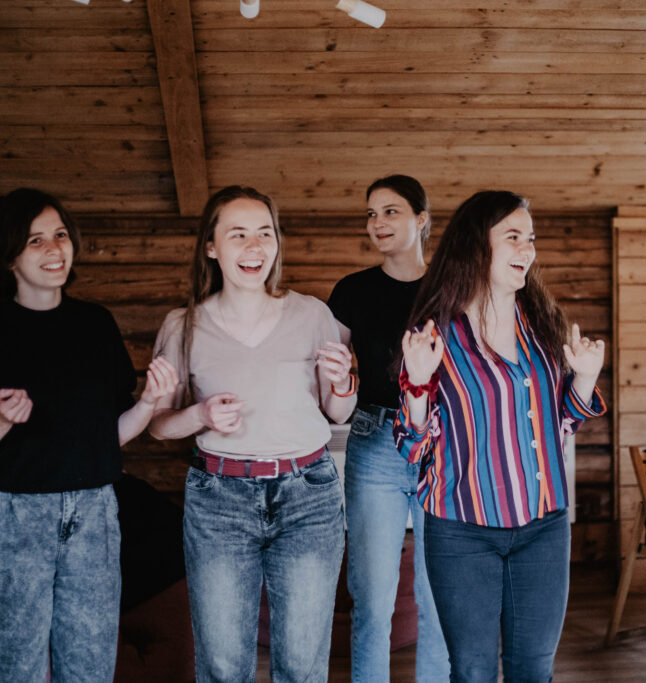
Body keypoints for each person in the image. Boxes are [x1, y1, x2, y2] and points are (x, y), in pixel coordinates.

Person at [0, 188, 177, 682]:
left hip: (94, 516)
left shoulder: (96, 325)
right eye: (35, 240)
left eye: (60, 235)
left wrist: (149, 403)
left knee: (90, 671)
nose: (54, 249)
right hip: (9, 521)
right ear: (9, 257)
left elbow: (108, 439)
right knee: (12, 672)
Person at [393, 190, 606, 682]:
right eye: (513, 237)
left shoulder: (543, 326)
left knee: (534, 669)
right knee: (472, 671)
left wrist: (584, 379)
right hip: (462, 530)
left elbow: (560, 425)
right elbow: (412, 447)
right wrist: (418, 384)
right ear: (476, 245)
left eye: (530, 239)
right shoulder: (436, 336)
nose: (527, 249)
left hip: (544, 525)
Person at [148, 185, 356, 683]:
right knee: (222, 664)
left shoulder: (312, 314)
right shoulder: (182, 326)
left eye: (265, 233)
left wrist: (344, 382)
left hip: (309, 495)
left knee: (302, 664)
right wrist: (200, 415)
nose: (255, 246)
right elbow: (158, 425)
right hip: (218, 500)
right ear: (211, 246)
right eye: (238, 234)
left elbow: (338, 413)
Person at [328, 175, 450, 682]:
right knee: (373, 600)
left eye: (391, 211)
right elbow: (329, 371)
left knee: (438, 595)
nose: (377, 222)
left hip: (443, 447)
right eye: (371, 214)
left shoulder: (452, 287)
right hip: (374, 441)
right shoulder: (352, 291)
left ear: (421, 219)